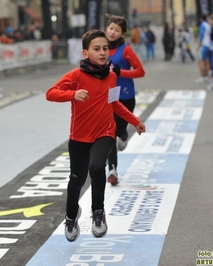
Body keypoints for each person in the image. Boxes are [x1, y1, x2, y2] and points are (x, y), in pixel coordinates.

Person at [46, 30, 146, 242]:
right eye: (96, 49)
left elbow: (115, 103)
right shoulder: (75, 76)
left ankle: (98, 213)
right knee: (76, 180)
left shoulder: (111, 76)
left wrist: (135, 121)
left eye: (105, 48)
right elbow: (51, 93)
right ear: (85, 53)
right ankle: (71, 216)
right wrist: (71, 94)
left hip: (104, 133)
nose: (102, 53)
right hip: (79, 137)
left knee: (97, 167)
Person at [105, 14, 145, 185]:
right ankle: (112, 170)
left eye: (117, 30)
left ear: (122, 33)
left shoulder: (126, 50)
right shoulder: (101, 46)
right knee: (110, 134)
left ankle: (124, 135)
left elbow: (140, 71)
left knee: (119, 131)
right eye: (111, 28)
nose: (112, 32)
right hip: (108, 98)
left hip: (126, 97)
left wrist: (122, 73)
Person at [195, 15, 212, 83]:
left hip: (204, 44)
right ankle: (206, 76)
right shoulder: (208, 25)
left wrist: (199, 44)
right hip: (208, 44)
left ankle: (202, 77)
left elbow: (201, 35)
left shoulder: (202, 25)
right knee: (206, 61)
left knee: (200, 61)